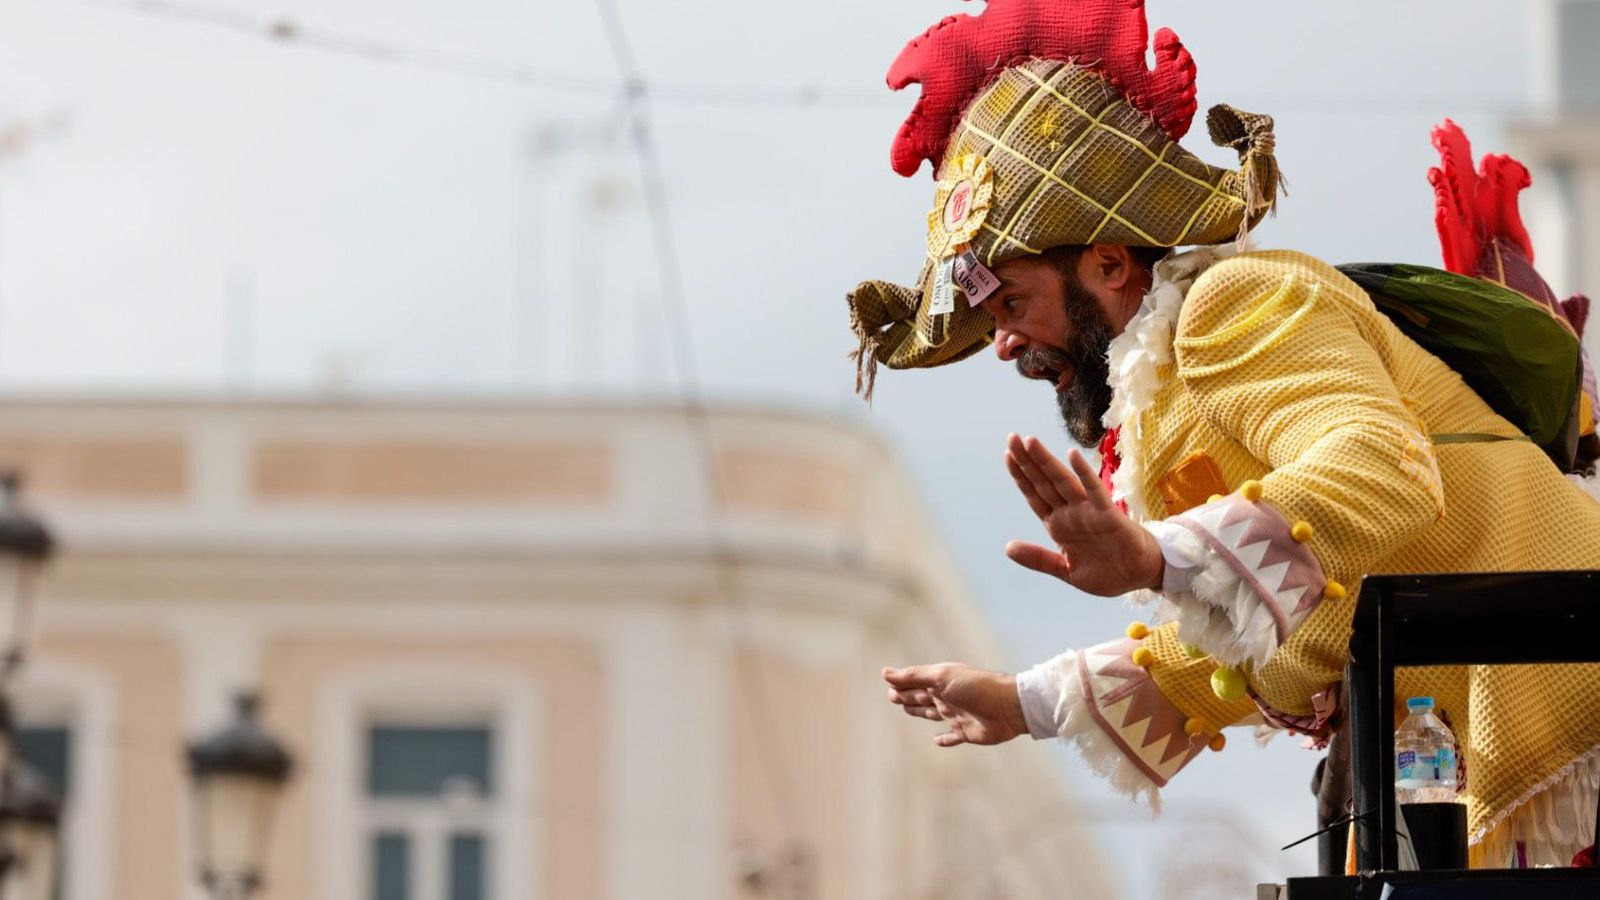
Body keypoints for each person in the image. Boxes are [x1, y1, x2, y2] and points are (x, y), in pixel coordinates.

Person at [847, 0, 1600, 868]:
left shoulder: (1229, 305)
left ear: (1107, 262)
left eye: (1012, 305)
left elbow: (1381, 471)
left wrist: (1156, 558)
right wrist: (1022, 703)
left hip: (1560, 706)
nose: (1005, 343)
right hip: (1452, 740)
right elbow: (1225, 656)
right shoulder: (1165, 395)